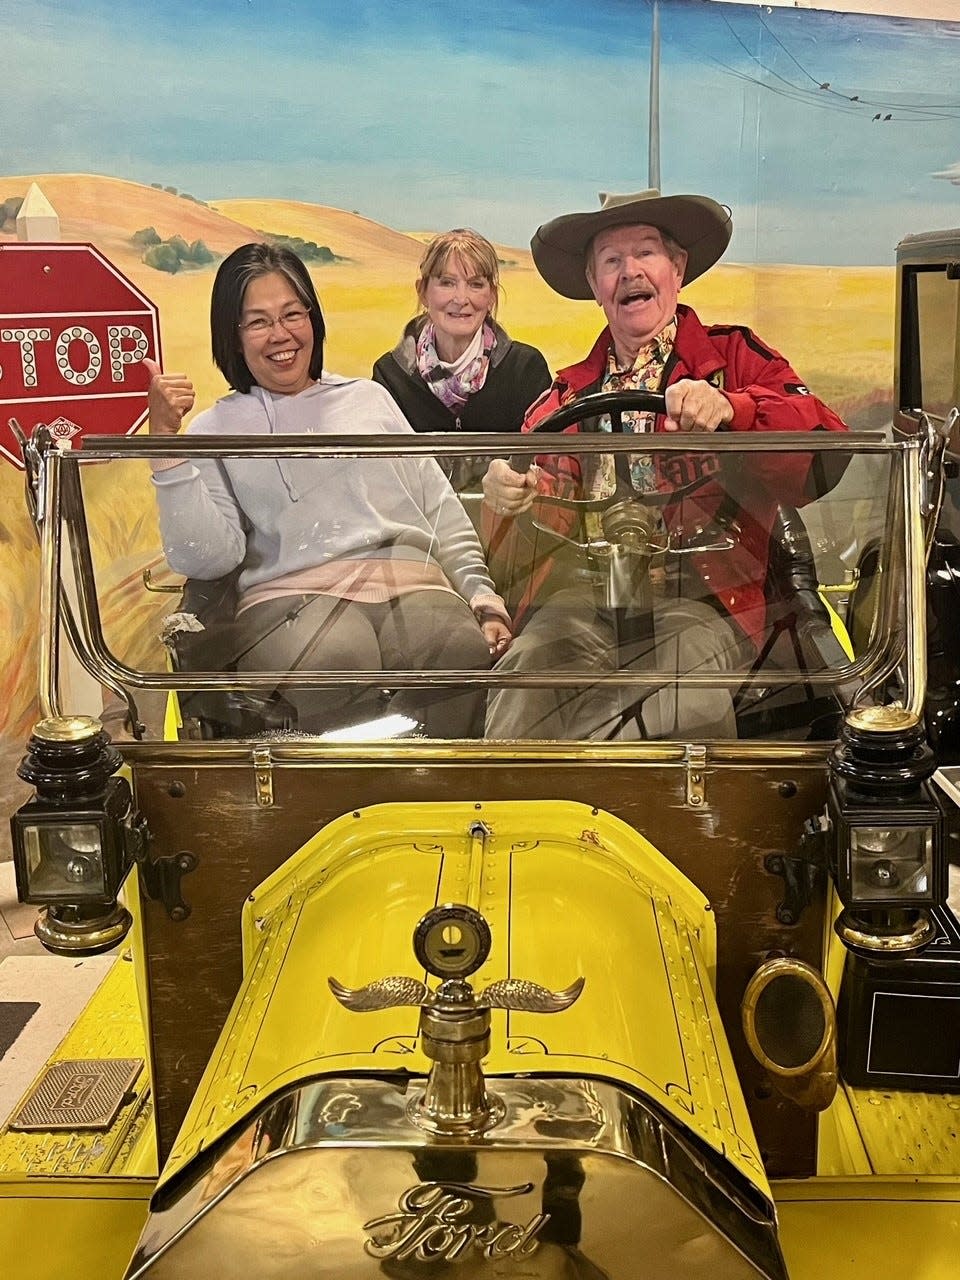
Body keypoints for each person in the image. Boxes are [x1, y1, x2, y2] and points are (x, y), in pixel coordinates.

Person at [482, 189, 848, 741]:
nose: (630, 271)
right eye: (611, 260)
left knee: (680, 692)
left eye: (646, 252)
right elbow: (515, 562)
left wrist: (735, 410)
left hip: (705, 599)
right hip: (583, 603)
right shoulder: (560, 401)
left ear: (677, 269)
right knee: (525, 676)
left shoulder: (736, 362)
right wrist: (503, 500)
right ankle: (509, 816)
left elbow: (825, 449)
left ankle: (678, 822)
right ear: (595, 286)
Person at [147, 242, 512, 739]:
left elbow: (438, 507)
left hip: (415, 584)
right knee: (336, 662)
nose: (281, 334)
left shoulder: (370, 399)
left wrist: (482, 597)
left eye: (292, 314)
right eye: (258, 322)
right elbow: (205, 558)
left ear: (313, 321)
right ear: (231, 337)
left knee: (460, 651)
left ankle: (446, 810)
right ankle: (343, 815)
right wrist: (166, 445)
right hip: (293, 596)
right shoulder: (215, 429)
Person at [372, 228, 551, 486]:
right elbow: (386, 479)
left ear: (491, 296)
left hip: (505, 523)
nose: (461, 299)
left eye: (476, 284)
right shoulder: (390, 376)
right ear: (423, 292)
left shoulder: (526, 369)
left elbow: (543, 473)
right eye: (446, 282)